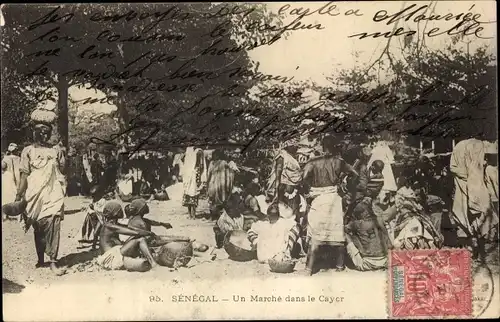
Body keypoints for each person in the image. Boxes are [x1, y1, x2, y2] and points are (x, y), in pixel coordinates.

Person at [15, 108, 66, 275]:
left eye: (47, 133)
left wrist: (63, 154)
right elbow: (24, 175)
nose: (44, 136)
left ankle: (53, 261)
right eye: (40, 132)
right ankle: (40, 259)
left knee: (54, 222)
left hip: (53, 191)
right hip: (34, 193)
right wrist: (18, 196)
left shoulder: (56, 150)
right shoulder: (28, 151)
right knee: (38, 225)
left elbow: (63, 170)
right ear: (34, 133)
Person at [302, 136, 358, 275]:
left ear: (322, 146)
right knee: (337, 234)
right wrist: (345, 187)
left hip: (319, 199)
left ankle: (309, 269)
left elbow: (303, 179)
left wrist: (308, 192)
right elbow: (354, 174)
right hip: (334, 199)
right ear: (334, 146)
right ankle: (339, 266)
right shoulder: (339, 161)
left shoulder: (313, 162)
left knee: (316, 234)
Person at [450, 138, 491, 258]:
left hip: (471, 186)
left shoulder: (461, 146)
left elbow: (453, 167)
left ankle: (473, 245)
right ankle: (474, 245)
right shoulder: (473, 146)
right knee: (471, 215)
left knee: (470, 215)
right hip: (468, 186)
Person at [266, 141, 303, 223]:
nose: (296, 147)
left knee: (294, 215)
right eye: (294, 145)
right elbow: (278, 175)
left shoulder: (291, 157)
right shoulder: (282, 155)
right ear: (287, 145)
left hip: (294, 191)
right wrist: (276, 194)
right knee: (287, 216)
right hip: (285, 192)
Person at [207, 149, 239, 220]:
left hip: (221, 184)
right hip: (213, 183)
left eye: (216, 155)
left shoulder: (223, 162)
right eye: (214, 155)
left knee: (222, 200)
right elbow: (209, 174)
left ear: (219, 155)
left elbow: (230, 170)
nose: (215, 156)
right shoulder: (211, 163)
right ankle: (212, 216)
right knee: (212, 199)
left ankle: (221, 217)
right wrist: (207, 183)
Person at [182, 147, 207, 219]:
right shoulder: (198, 151)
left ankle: (191, 215)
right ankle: (192, 215)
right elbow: (202, 165)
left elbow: (183, 159)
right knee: (192, 194)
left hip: (191, 175)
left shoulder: (193, 151)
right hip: (194, 174)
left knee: (190, 193)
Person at [2, 143, 21, 218]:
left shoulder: (6, 158)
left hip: (9, 177)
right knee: (17, 194)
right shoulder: (19, 158)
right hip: (18, 176)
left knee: (7, 195)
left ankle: (5, 214)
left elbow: (3, 167)